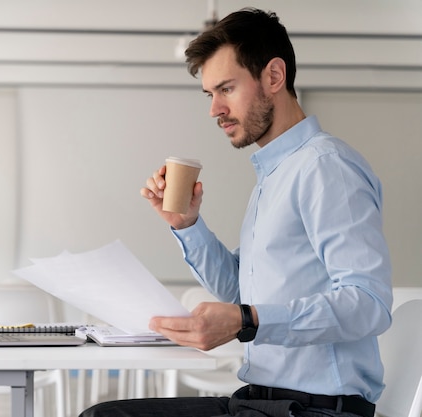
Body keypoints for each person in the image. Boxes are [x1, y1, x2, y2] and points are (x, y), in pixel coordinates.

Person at [80, 7, 392, 417]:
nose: (214, 109)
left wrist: (249, 320)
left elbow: (368, 303)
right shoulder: (275, 175)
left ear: (274, 77)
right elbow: (241, 294)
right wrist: (187, 224)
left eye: (226, 89)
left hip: (316, 410)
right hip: (262, 400)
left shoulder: (324, 167)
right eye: (210, 95)